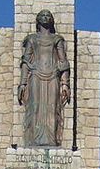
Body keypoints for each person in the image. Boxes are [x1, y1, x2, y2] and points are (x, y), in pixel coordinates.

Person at [18, 10, 70, 147]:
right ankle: (34, 140)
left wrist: (65, 84)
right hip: (35, 75)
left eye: (48, 16)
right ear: (38, 20)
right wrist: (22, 83)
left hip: (53, 76)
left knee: (52, 108)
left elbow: (63, 62)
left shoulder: (56, 39)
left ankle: (51, 140)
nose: (46, 18)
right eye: (43, 16)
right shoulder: (32, 39)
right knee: (34, 107)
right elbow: (25, 61)